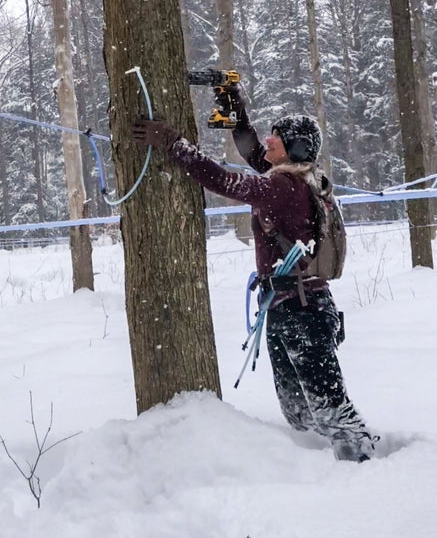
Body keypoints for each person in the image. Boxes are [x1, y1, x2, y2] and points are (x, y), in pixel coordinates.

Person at [132, 87, 376, 462]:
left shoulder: (284, 187)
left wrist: (174, 144)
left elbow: (224, 181)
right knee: (298, 412)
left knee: (330, 409)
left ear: (294, 149)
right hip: (287, 308)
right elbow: (252, 154)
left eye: (276, 138)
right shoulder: (299, 177)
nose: (267, 141)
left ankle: (365, 466)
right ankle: (317, 466)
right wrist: (237, 114)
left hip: (303, 313)